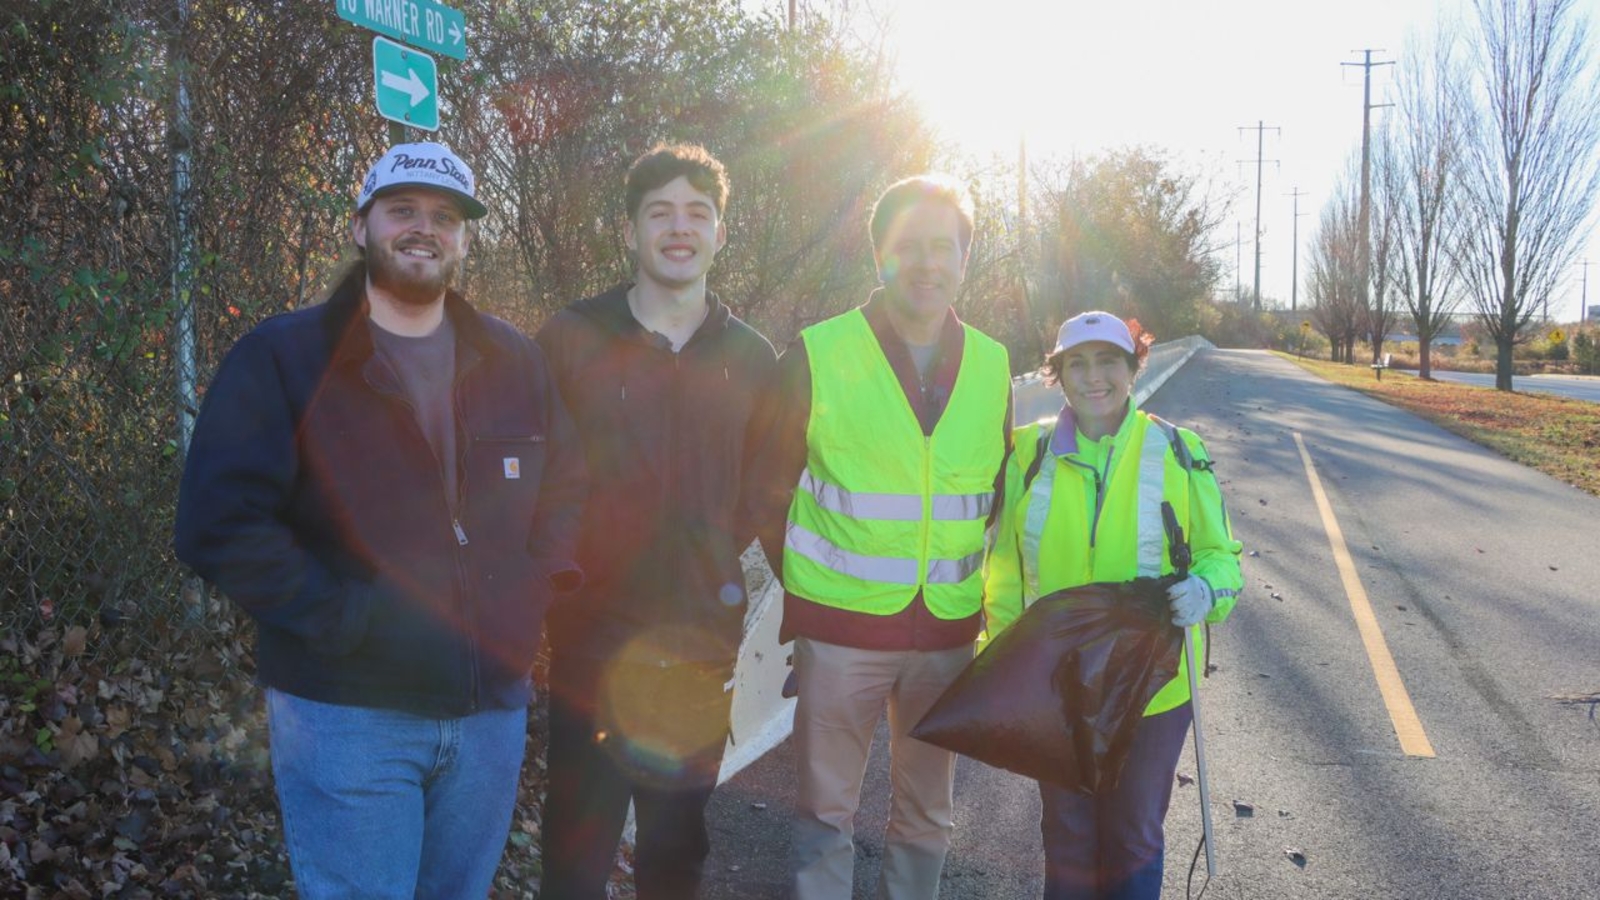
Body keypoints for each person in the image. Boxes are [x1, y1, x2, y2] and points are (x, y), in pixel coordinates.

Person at [173, 141, 586, 900]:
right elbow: (218, 520)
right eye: (403, 211)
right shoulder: (284, 357)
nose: (423, 229)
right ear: (361, 227)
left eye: (444, 216)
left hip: (489, 711)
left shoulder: (515, 360)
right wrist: (345, 618)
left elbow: (567, 485)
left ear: (464, 238)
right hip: (346, 710)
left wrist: (532, 595)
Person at [754, 175, 1013, 899]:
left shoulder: (994, 365)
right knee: (824, 811)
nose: (927, 264)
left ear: (964, 260)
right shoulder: (816, 351)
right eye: (908, 247)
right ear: (879, 258)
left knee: (929, 812)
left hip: (948, 634)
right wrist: (808, 589)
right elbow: (766, 486)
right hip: (839, 632)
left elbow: (999, 493)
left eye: (943, 247)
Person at [534, 143, 778, 900]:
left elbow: (760, 493)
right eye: (661, 213)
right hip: (588, 650)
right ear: (632, 230)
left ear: (720, 232)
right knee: (573, 866)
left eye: (697, 213)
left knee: (675, 862)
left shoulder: (752, 357)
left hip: (699, 648)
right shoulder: (571, 338)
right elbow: (536, 481)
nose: (680, 229)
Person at [983, 310, 1243, 900]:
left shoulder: (1179, 450)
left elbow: (1223, 559)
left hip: (1154, 687)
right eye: (1077, 363)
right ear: (1058, 374)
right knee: (1067, 834)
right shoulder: (1029, 454)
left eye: (1108, 361)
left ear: (1133, 368)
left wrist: (1206, 592)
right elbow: (1001, 574)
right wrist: (999, 665)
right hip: (1057, 686)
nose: (1093, 376)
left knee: (1132, 837)